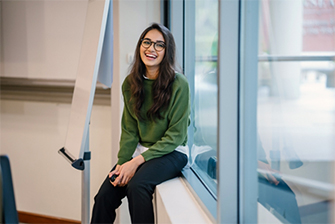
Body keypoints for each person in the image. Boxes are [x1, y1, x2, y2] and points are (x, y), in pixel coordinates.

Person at [91, 23, 190, 224]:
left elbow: (176, 136)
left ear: (167, 52)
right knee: (103, 197)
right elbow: (129, 131)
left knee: (137, 187)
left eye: (159, 45)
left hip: (172, 152)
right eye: (147, 42)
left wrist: (135, 162)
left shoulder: (179, 84)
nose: (151, 49)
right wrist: (122, 163)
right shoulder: (130, 83)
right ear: (139, 46)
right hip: (140, 151)